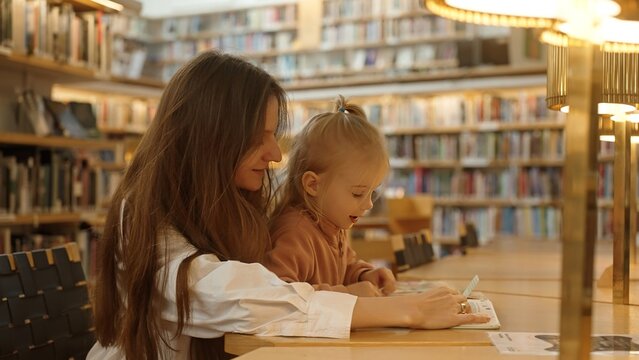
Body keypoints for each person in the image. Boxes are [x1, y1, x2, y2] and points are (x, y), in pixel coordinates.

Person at [89, 51, 489, 360]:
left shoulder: (228, 203)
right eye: (260, 137)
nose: (275, 156)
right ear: (212, 139)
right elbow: (234, 297)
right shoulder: (142, 216)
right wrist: (407, 312)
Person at [264, 96, 395, 297]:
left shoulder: (333, 223)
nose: (368, 204)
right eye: (357, 193)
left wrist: (364, 275)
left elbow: (345, 268)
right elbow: (280, 296)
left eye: (372, 192)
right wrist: (349, 294)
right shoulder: (294, 233)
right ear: (313, 185)